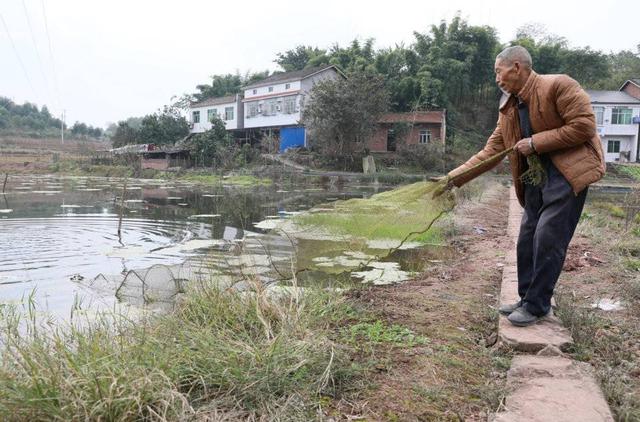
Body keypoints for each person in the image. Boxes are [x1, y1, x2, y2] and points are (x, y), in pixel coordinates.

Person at [442, 45, 606, 327]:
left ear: (516, 67)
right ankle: (526, 299)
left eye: (498, 71)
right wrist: (451, 179)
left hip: (566, 174)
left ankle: (538, 305)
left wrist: (534, 143)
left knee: (548, 237)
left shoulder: (559, 85)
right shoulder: (509, 108)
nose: (496, 78)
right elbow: (490, 151)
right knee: (527, 238)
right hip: (535, 178)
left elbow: (583, 126)